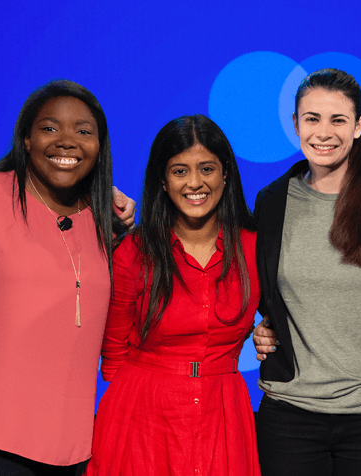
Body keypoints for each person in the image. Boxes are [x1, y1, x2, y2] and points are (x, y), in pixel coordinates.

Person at [0, 80, 128, 475]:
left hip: (72, 444)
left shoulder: (105, 222)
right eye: (49, 128)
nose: (66, 141)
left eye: (83, 131)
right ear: (25, 139)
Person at [251, 68, 361, 476]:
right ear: (295, 124)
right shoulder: (272, 201)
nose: (323, 132)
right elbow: (268, 292)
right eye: (311, 119)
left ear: (359, 126)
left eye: (338, 120)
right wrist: (267, 327)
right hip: (289, 412)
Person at [89, 115, 260, 475]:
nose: (195, 183)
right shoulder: (134, 251)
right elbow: (114, 354)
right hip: (142, 418)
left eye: (207, 169)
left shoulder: (255, 249)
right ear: (163, 182)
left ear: (225, 174)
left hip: (223, 415)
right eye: (180, 171)